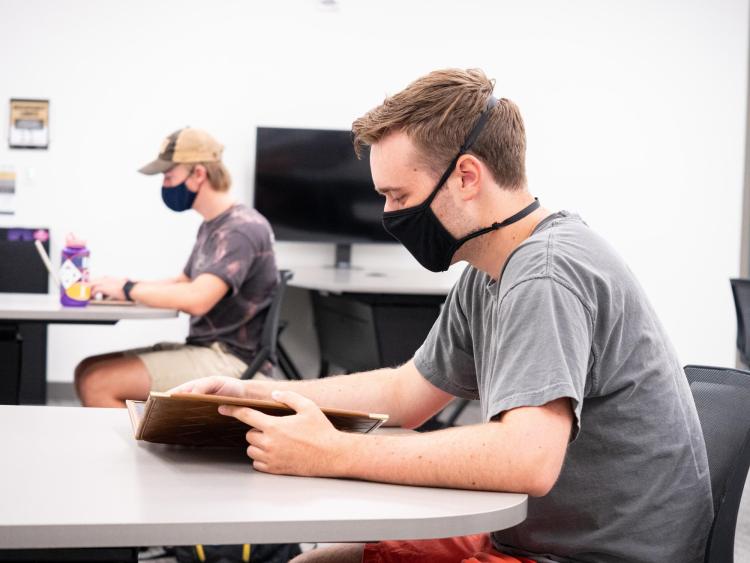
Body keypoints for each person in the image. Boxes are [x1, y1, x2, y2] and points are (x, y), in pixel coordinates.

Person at [172, 70, 713, 562]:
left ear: (467, 177)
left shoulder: (545, 272)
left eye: (398, 195)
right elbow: (406, 393)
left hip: (593, 555)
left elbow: (527, 458)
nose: (387, 215)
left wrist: (336, 452)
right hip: (536, 534)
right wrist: (258, 394)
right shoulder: (489, 270)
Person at [75, 127, 279, 408]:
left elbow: (197, 299)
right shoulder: (215, 225)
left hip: (229, 359)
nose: (166, 184)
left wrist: (129, 289)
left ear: (198, 174)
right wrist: (123, 285)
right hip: (209, 349)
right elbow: (184, 282)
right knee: (86, 369)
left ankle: (139, 452)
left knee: (96, 382)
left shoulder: (241, 229)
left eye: (170, 176)